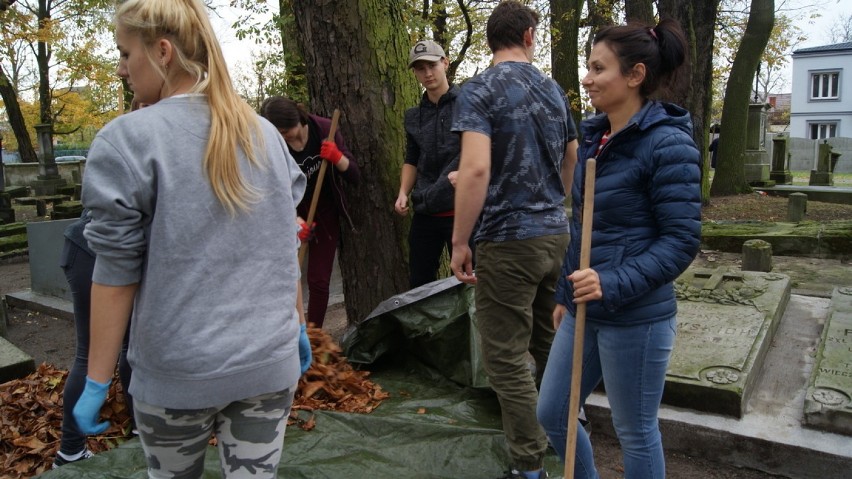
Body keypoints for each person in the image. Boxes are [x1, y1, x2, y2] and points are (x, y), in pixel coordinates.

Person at [72, 1, 309, 477]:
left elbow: (116, 272)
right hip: (269, 364)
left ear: (162, 52)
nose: (122, 69)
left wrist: (96, 381)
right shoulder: (264, 134)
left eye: (125, 53)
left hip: (176, 377)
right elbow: (286, 246)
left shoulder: (126, 142)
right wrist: (296, 326)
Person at [536, 18, 701, 479]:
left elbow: (681, 241)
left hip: (638, 318)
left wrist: (609, 282)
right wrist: (566, 296)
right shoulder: (595, 139)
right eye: (588, 67)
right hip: (584, 310)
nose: (586, 78)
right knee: (551, 413)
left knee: (635, 430)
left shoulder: (668, 144)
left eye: (597, 68)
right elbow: (584, 226)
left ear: (635, 75)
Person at [449, 2, 579, 478]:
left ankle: (529, 465)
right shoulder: (553, 89)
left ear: (491, 40)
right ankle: (569, 434)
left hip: (507, 240)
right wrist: (553, 201)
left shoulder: (478, 90)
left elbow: (477, 168)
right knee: (548, 344)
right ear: (528, 35)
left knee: (504, 356)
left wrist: (460, 241)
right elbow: (572, 154)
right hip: (554, 234)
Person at [260, 96, 360, 328]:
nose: (283, 137)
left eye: (286, 131)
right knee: (286, 279)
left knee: (318, 280)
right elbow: (271, 192)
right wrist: (294, 222)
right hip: (292, 212)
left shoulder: (325, 129)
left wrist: (337, 157)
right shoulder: (273, 146)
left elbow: (354, 175)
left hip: (324, 211)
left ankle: (313, 336)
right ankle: (289, 333)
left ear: (298, 119)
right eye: (277, 133)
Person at [52, 208, 133, 469]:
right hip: (93, 252)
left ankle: (141, 430)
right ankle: (70, 451)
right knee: (91, 350)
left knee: (133, 346)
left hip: (116, 251)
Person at [395, 39, 464, 289]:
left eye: (432, 65)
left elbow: (483, 150)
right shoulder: (413, 117)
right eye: (420, 68)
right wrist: (404, 192)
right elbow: (412, 159)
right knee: (419, 284)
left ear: (445, 63)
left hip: (464, 211)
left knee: (471, 279)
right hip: (426, 211)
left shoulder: (468, 103)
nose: (427, 73)